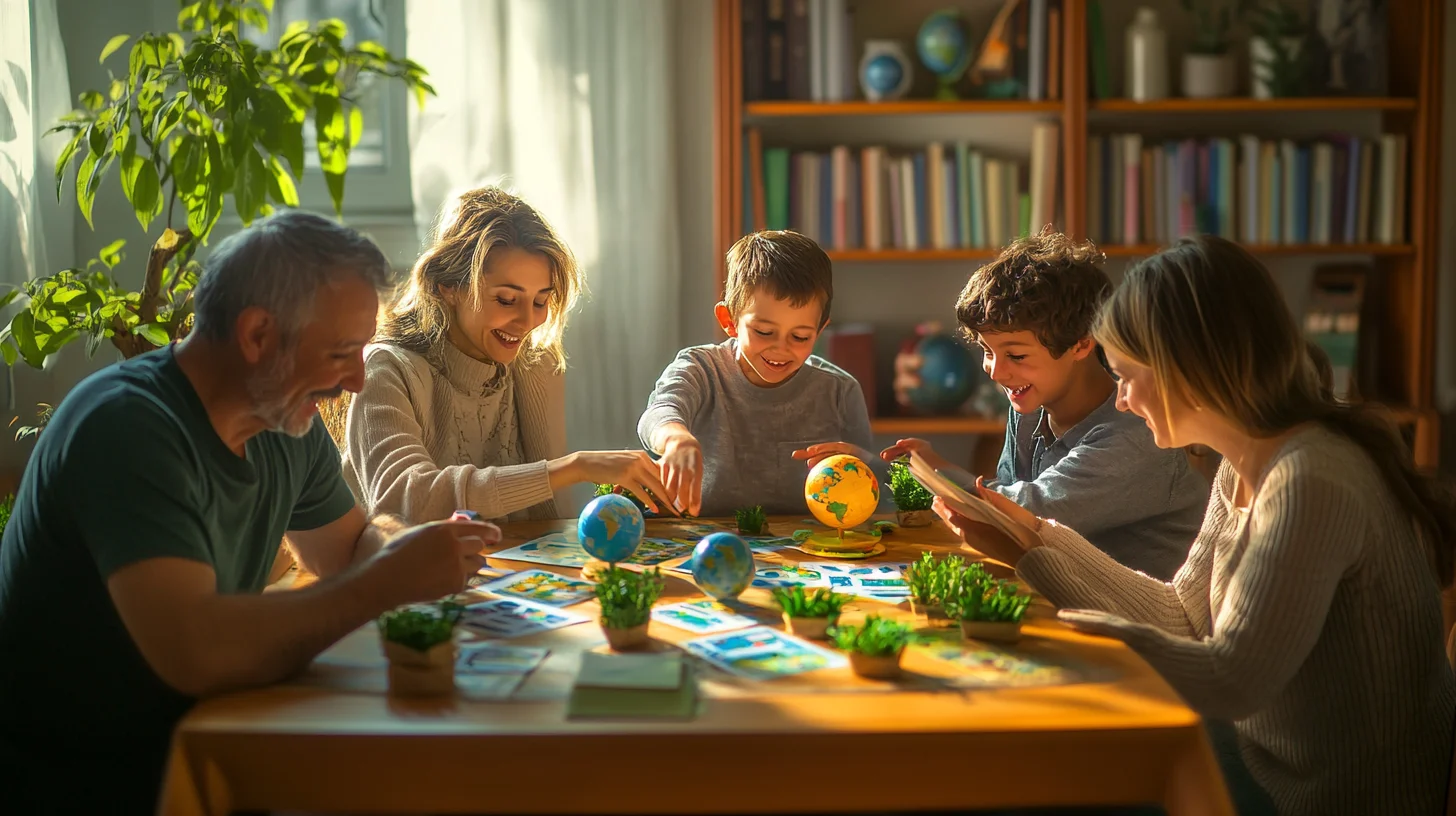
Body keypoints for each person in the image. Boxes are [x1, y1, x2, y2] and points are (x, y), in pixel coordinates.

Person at [0, 211, 500, 815]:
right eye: (342, 352)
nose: (358, 381)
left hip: (224, 741)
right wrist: (386, 582)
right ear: (258, 334)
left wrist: (404, 552)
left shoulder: (281, 416)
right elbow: (197, 653)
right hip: (95, 782)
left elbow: (349, 545)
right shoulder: (125, 429)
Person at [937, 235, 1456, 815]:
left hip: (1323, 796)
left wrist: (1088, 638)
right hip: (1268, 763)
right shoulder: (1244, 461)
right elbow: (1183, 615)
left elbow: (1232, 682)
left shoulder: (1312, 479)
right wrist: (1032, 546)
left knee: (1033, 779)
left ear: (1194, 369)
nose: (1125, 400)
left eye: (1130, 374)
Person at [826, 231, 1207, 580]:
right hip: (1059, 593)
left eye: (1016, 355)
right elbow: (1004, 498)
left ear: (1081, 343)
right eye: (987, 351)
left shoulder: (1134, 434)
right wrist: (924, 470)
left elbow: (1022, 514)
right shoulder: (1032, 404)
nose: (995, 371)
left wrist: (907, 472)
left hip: (1136, 625)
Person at [341, 187, 671, 524]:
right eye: (506, 300)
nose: (528, 322)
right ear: (447, 286)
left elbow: (550, 517)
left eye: (540, 301)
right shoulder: (387, 370)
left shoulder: (535, 366)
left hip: (513, 573)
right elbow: (403, 500)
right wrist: (575, 467)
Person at [638, 230, 878, 517]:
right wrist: (677, 439)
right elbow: (659, 413)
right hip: (706, 542)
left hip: (807, 549)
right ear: (729, 320)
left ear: (820, 331)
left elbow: (870, 489)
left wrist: (864, 462)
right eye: (764, 332)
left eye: (800, 337)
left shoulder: (840, 391)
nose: (781, 348)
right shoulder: (700, 369)